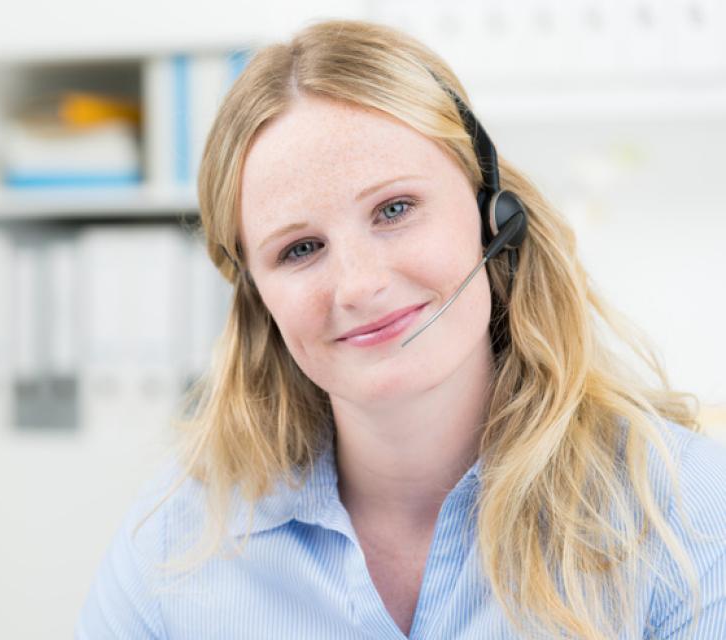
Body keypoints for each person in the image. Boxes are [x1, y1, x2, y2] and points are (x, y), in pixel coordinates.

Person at [77, 19, 726, 639]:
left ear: (490, 212)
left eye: (394, 209)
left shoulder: (684, 514)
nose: (360, 285)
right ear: (257, 298)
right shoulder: (176, 547)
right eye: (299, 249)